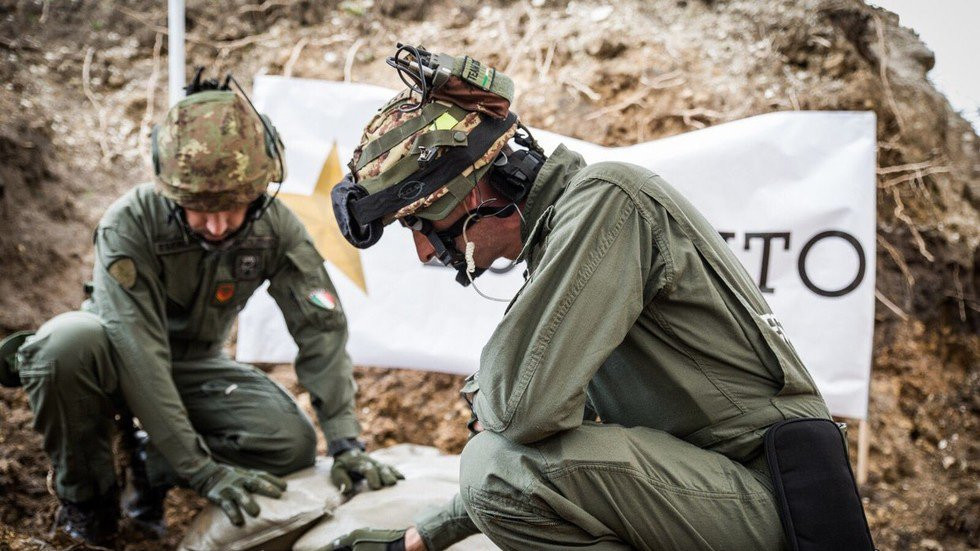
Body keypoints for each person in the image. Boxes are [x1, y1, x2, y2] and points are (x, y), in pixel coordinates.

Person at [323, 46, 837, 551]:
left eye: (419, 220)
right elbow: (557, 435)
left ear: (474, 188)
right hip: (723, 491)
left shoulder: (607, 199)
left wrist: (487, 392)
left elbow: (521, 413)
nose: (421, 249)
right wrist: (425, 536)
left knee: (492, 468)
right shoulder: (567, 239)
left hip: (777, 501)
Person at [0, 71, 401, 546]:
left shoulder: (276, 228)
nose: (215, 225)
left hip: (194, 364)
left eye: (231, 207)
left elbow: (321, 328)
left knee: (288, 443)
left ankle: (148, 466)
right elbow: (138, 354)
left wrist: (345, 442)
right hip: (110, 358)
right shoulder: (129, 223)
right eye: (197, 208)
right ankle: (90, 508)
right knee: (64, 344)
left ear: (259, 191)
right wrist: (204, 472)